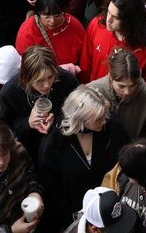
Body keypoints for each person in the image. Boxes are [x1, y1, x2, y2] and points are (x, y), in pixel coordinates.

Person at [37, 84, 129, 232]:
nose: (105, 120)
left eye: (105, 114)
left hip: (108, 209)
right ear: (81, 119)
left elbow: (124, 161)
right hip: (72, 214)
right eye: (99, 118)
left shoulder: (112, 127)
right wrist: (70, 217)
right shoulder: (55, 141)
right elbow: (50, 185)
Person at [88, 48, 146, 142]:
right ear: (110, 76)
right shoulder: (92, 92)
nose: (127, 92)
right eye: (121, 86)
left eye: (132, 85)